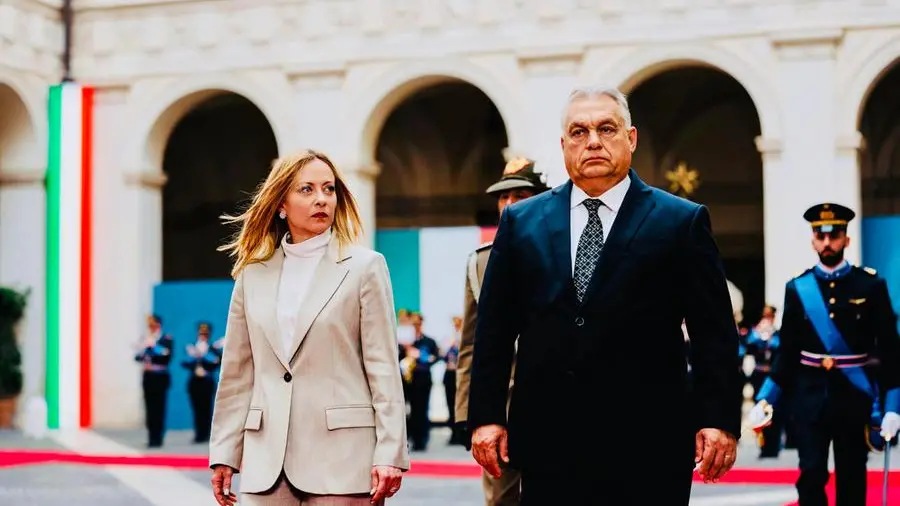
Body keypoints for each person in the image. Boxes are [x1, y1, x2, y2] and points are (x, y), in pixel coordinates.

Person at [466, 85, 743, 504]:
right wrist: (486, 416)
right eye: (579, 132)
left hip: (649, 443)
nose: (593, 141)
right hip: (549, 443)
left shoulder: (679, 222)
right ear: (564, 144)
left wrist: (718, 419)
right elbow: (493, 330)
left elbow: (714, 333)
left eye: (606, 129)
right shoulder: (522, 222)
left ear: (631, 138)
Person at [208, 150, 409, 506]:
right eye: (307, 189)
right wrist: (224, 452)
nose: (321, 199)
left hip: (343, 460)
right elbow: (237, 373)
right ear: (281, 204)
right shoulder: (252, 274)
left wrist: (390, 452)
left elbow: (383, 366)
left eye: (329, 189)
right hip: (266, 461)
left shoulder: (365, 267)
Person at [748, 202, 900, 506]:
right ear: (813, 240)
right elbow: (787, 351)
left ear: (846, 239)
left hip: (854, 398)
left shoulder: (870, 285)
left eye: (834, 235)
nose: (827, 242)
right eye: (821, 235)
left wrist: (893, 407)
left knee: (852, 476)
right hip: (809, 397)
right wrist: (765, 398)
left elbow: (890, 350)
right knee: (811, 474)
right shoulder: (797, 288)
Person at [455, 157, 549, 506]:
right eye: (503, 197)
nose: (509, 205)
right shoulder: (480, 261)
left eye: (520, 196)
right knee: (500, 500)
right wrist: (467, 414)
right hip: (500, 406)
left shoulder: (561, 252)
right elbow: (470, 344)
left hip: (551, 400)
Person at [745, 305, 784, 458]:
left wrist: (770, 336)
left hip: (773, 375)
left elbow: (780, 348)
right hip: (759, 375)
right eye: (765, 316)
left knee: (775, 411)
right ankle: (763, 446)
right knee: (759, 409)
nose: (767, 319)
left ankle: (774, 446)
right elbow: (748, 346)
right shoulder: (757, 332)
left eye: (770, 316)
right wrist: (759, 334)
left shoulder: (777, 333)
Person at [401, 312, 440, 451]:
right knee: (406, 411)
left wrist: (422, 357)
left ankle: (421, 440)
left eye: (417, 324)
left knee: (422, 410)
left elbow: (436, 357)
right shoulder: (404, 343)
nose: (415, 326)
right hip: (407, 382)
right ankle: (407, 439)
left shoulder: (428, 341)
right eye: (413, 324)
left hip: (423, 381)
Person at [134, 314, 173, 448]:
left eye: (153, 325)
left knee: (159, 408)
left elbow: (167, 357)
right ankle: (151, 437)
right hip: (148, 376)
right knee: (149, 408)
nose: (151, 328)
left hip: (160, 376)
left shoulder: (165, 339)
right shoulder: (145, 339)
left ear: (158, 325)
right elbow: (138, 357)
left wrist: (154, 347)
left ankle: (158, 437)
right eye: (150, 326)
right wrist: (144, 349)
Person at [181, 321, 222, 444]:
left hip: (207, 381)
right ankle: (198, 434)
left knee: (207, 408)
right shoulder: (192, 347)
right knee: (196, 408)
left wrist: (205, 354)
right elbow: (184, 363)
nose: (203, 336)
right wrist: (194, 355)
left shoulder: (213, 348)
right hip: (195, 381)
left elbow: (217, 362)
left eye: (205, 334)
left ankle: (206, 434)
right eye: (201, 334)